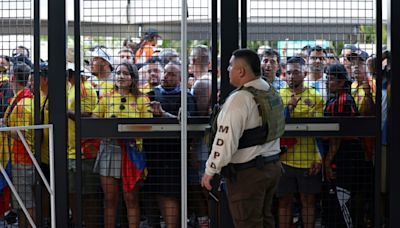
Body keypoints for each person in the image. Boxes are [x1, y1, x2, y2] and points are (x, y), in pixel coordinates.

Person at [201, 49, 284, 227]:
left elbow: (225, 140)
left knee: (247, 223)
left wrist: (210, 171)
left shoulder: (240, 98)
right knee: (265, 219)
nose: (227, 69)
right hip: (272, 167)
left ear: (241, 72)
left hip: (249, 175)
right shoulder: (269, 90)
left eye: (231, 65)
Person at [92, 62, 152, 228]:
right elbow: (95, 121)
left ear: (133, 78)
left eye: (126, 73)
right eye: (118, 73)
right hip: (108, 150)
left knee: (131, 199)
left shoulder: (142, 99)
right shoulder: (105, 97)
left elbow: (148, 126)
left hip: (131, 153)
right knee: (110, 199)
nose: (121, 76)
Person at [146, 61, 196, 228]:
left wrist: (163, 114)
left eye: (172, 74)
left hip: (174, 155)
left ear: (181, 78)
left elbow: (187, 123)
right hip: (153, 155)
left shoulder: (186, 97)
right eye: (165, 73)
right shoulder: (152, 94)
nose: (166, 77)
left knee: (170, 195)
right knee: (155, 194)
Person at [323, 63, 372, 227]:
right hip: (349, 155)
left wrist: (328, 161)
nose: (327, 83)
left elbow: (337, 135)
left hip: (345, 157)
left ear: (341, 82)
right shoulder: (341, 98)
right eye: (327, 79)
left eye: (330, 79)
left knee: (342, 200)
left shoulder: (342, 100)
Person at [278, 57, 324, 228]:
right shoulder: (278, 96)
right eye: (288, 72)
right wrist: (288, 108)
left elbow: (320, 132)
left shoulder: (316, 97)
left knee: (308, 201)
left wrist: (319, 158)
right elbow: (274, 127)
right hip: (283, 160)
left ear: (305, 73)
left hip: (308, 160)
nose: (291, 76)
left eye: (296, 72)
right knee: (284, 201)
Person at [65, 62, 100, 227]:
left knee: (88, 195)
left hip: (85, 150)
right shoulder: (72, 87)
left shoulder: (85, 88)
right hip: (73, 149)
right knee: (73, 192)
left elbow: (88, 115)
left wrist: (64, 112)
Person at [4, 61, 35, 227]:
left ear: (13, 78)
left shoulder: (23, 104)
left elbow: (21, 134)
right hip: (20, 158)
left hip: (23, 159)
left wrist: (3, 128)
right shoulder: (23, 99)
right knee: (22, 203)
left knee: (26, 204)